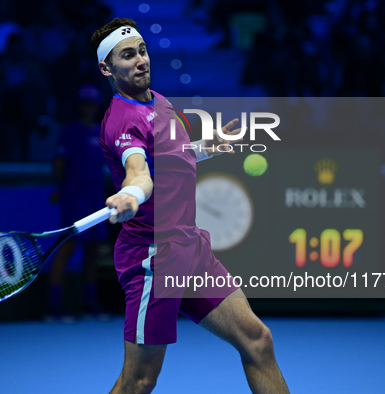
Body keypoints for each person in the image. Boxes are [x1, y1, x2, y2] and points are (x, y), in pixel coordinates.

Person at [92, 18, 290, 393]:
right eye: (127, 55)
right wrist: (132, 193)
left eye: (142, 51)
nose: (140, 61)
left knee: (257, 341)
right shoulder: (122, 121)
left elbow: (169, 158)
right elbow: (140, 172)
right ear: (107, 68)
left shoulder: (160, 103)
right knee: (139, 380)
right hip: (153, 258)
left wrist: (206, 147)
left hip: (189, 249)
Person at [45, 84, 110, 322]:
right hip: (75, 196)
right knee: (68, 247)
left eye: (91, 103)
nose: (88, 107)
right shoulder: (70, 131)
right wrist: (63, 189)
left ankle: (89, 304)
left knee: (92, 250)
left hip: (95, 197)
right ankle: (53, 306)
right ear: (79, 105)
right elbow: (59, 164)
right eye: (84, 103)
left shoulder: (100, 132)